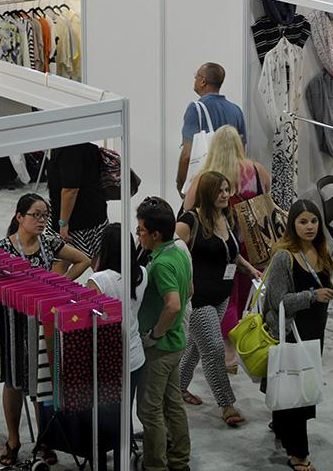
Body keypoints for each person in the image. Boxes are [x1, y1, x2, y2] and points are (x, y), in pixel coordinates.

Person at [0, 193, 90, 467]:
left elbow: (84, 260)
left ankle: (44, 439)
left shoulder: (49, 242)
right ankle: (13, 441)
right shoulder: (0, 250)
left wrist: (57, 285)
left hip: (42, 327)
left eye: (45, 215)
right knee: (13, 383)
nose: (42, 220)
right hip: (12, 328)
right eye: (36, 215)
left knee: (41, 386)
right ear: (19, 217)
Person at [262, 199, 333, 471]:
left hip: (315, 329)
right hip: (291, 330)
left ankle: (281, 426)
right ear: (292, 224)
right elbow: (278, 302)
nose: (310, 226)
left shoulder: (321, 251)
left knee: (294, 382)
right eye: (303, 221)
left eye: (313, 221)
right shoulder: (284, 256)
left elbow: (325, 289)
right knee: (297, 389)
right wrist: (311, 296)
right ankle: (298, 453)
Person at [182, 125, 271, 372]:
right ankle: (239, 345)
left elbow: (188, 208)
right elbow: (266, 201)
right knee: (243, 296)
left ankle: (228, 352)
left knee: (225, 295)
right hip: (251, 244)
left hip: (219, 243)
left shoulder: (207, 176)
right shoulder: (257, 170)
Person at [176, 171, 260, 425]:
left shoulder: (227, 217)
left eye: (227, 189)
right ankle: (227, 405)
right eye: (221, 190)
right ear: (208, 193)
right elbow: (171, 253)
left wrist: (250, 268)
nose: (226, 195)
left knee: (195, 346)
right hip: (199, 298)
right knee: (213, 348)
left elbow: (231, 254)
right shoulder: (190, 220)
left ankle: (177, 388)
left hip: (221, 295)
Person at [136, 197, 193, 471]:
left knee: (149, 410)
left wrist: (155, 334)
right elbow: (190, 289)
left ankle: (155, 465)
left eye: (141, 231)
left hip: (161, 349)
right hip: (176, 344)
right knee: (173, 405)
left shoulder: (160, 265)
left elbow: (174, 304)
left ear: (155, 234)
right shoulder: (179, 251)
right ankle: (180, 461)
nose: (139, 236)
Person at [87, 223, 148, 411]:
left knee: (108, 416)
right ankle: (127, 440)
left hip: (108, 358)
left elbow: (91, 322)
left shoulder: (98, 280)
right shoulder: (142, 273)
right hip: (135, 353)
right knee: (125, 412)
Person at [176, 62, 247, 197]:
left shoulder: (195, 109)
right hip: (231, 187)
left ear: (203, 82)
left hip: (206, 186)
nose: (195, 79)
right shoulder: (236, 111)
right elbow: (241, 152)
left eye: (196, 76)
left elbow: (187, 154)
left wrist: (181, 185)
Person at [47, 142, 109, 259]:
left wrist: (63, 223)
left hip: (75, 221)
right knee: (97, 260)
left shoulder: (69, 150)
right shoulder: (86, 145)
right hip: (91, 214)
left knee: (59, 263)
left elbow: (70, 190)